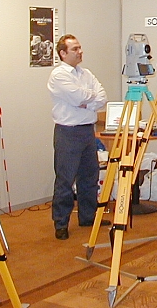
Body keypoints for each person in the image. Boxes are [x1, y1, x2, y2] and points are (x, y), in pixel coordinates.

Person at [47, 34, 108, 240]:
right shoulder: (58, 75)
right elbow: (78, 97)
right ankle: (61, 223)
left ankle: (88, 216)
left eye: (80, 48)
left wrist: (87, 102)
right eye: (75, 49)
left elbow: (102, 97)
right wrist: (88, 99)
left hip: (87, 131)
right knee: (65, 180)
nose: (80, 52)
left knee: (89, 176)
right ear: (63, 53)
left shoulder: (86, 73)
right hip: (68, 132)